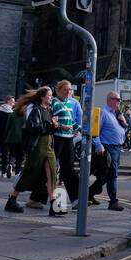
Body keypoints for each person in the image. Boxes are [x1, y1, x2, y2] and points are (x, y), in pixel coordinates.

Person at [8, 87, 56, 214]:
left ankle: (54, 205)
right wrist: (51, 124)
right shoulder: (35, 110)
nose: (51, 97)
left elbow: (48, 128)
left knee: (52, 173)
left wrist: (55, 126)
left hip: (49, 144)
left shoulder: (48, 110)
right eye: (49, 95)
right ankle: (12, 199)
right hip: (38, 145)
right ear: (42, 97)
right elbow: (34, 127)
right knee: (29, 171)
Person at [88, 91, 127, 211]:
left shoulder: (116, 114)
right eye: (117, 99)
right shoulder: (103, 113)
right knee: (112, 175)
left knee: (106, 176)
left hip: (117, 147)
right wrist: (99, 145)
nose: (119, 102)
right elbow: (95, 131)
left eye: (120, 100)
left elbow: (122, 131)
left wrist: (124, 123)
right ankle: (113, 202)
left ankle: (89, 193)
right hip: (108, 147)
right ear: (109, 100)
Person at [51, 81, 82, 209]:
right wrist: (60, 126)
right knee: (50, 169)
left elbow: (71, 120)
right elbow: (51, 122)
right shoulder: (54, 102)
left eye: (70, 90)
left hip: (68, 139)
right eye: (65, 90)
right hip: (57, 139)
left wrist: (79, 129)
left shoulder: (70, 102)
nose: (68, 92)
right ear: (58, 90)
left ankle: (76, 199)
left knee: (69, 169)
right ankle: (36, 197)